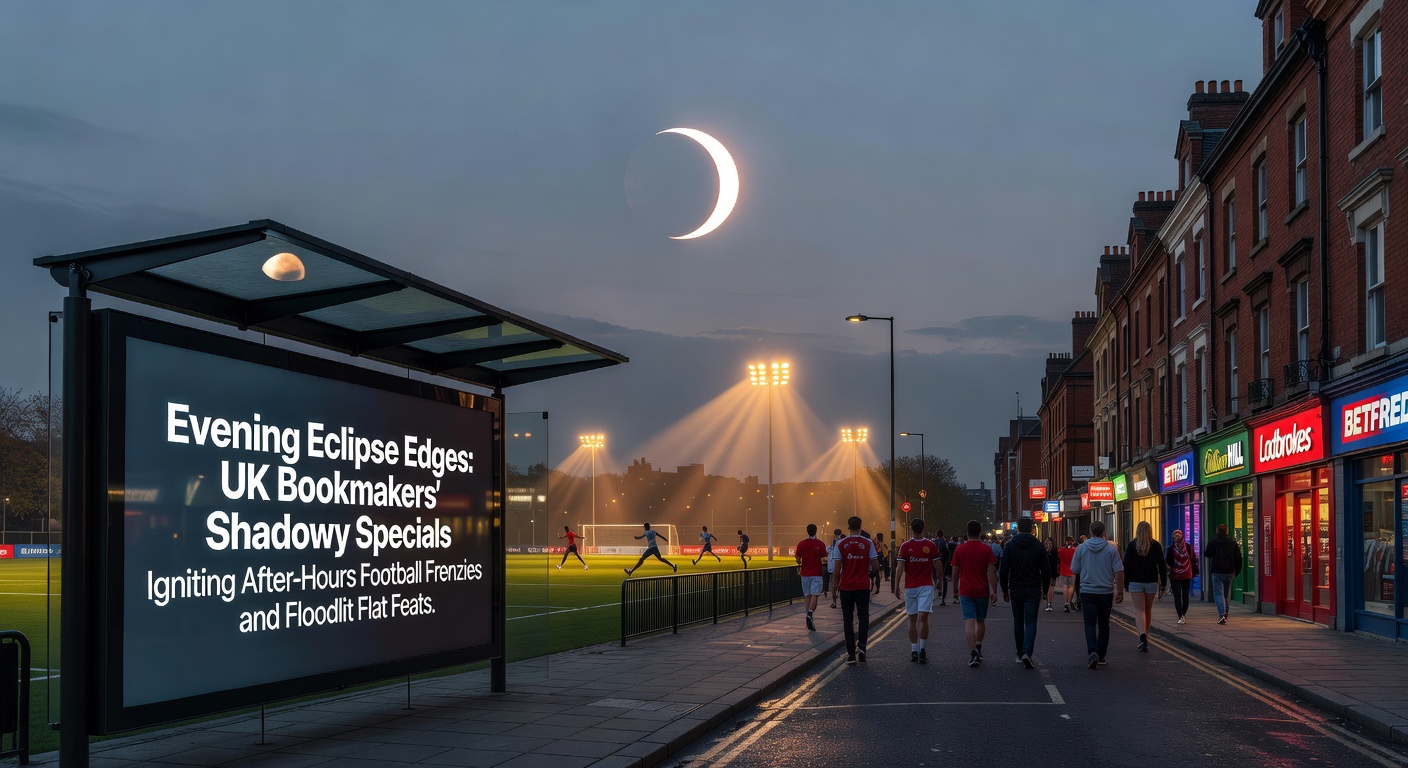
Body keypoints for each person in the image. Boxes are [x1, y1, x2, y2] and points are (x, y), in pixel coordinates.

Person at [1070, 520, 1123, 669]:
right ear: (1104, 532)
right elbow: (1119, 571)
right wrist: (1120, 591)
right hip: (1105, 591)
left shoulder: (1081, 548)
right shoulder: (1111, 550)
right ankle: (1101, 656)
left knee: (1089, 623)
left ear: (1091, 531)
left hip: (1087, 591)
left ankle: (1092, 651)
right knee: (1104, 624)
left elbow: (1075, 569)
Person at [999, 517, 1050, 669]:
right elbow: (1046, 570)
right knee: (1031, 621)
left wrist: (1004, 590)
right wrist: (1045, 590)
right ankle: (1028, 651)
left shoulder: (1010, 545)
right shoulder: (1038, 546)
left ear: (1018, 529)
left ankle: (1020, 653)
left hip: (1016, 588)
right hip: (1033, 588)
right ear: (1032, 529)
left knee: (1018, 621)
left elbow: (1003, 570)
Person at [829, 516, 878, 665]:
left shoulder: (841, 543)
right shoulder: (868, 543)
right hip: (863, 586)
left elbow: (837, 570)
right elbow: (875, 567)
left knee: (847, 620)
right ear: (861, 526)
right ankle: (861, 647)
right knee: (863, 617)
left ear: (848, 527)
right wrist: (870, 575)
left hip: (846, 587)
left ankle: (850, 654)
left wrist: (833, 589)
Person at [951, 520, 999, 668]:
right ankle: (978, 647)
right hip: (982, 591)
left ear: (967, 532)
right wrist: (994, 591)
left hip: (966, 591)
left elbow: (955, 571)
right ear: (980, 532)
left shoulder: (960, 550)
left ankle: (973, 653)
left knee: (969, 622)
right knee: (980, 621)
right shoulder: (986, 549)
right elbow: (992, 571)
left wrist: (955, 589)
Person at [893, 518, 939, 663]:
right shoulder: (930, 545)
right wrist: (941, 583)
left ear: (911, 529)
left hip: (917, 586)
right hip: (918, 586)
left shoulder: (905, 546)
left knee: (915, 619)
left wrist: (896, 586)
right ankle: (916, 650)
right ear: (923, 528)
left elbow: (899, 568)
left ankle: (920, 649)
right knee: (921, 618)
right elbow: (939, 565)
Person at [1122, 521, 1167, 652]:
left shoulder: (1132, 545)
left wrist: (1126, 583)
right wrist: (1163, 583)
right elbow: (1162, 566)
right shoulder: (1156, 545)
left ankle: (1142, 636)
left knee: (1139, 610)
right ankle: (1146, 636)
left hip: (1136, 582)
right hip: (1151, 582)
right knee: (1148, 610)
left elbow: (1127, 566)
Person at [1203, 523, 1243, 625]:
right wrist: (1236, 571)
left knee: (1218, 594)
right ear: (1227, 531)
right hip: (1229, 571)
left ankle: (1222, 614)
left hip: (1216, 571)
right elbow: (1238, 558)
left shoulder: (1213, 542)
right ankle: (1226, 613)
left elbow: (1207, 554)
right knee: (1226, 593)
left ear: (1217, 531)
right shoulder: (1233, 543)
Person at [795, 524, 829, 632]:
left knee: (807, 596)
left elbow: (797, 558)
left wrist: (800, 562)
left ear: (807, 531)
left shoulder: (801, 544)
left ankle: (808, 617)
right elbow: (824, 558)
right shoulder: (820, 544)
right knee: (815, 595)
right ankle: (810, 614)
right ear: (816, 531)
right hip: (816, 573)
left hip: (805, 573)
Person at [1165, 528, 1199, 624]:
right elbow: (1194, 560)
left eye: (1176, 537)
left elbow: (1167, 562)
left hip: (1176, 575)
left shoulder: (1171, 548)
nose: (1175, 539)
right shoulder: (1188, 547)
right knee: (1183, 596)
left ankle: (1181, 615)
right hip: (1185, 575)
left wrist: (1168, 569)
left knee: (1179, 596)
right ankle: (1182, 615)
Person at [1057, 535, 1078, 612]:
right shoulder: (1074, 550)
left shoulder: (1061, 550)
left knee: (1065, 586)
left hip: (1063, 570)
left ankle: (1066, 603)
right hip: (1072, 570)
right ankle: (1069, 603)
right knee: (1071, 586)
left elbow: (1059, 556)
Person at [933, 529, 951, 606]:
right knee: (943, 579)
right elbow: (947, 554)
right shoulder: (945, 543)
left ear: (936, 534)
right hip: (943, 563)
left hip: (934, 562)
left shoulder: (934, 543)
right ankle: (942, 598)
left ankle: (935, 592)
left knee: (935, 578)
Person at [825, 528, 843, 608]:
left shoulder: (833, 543)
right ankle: (838, 598)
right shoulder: (842, 541)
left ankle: (834, 601)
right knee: (839, 583)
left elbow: (828, 551)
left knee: (833, 583)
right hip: (840, 565)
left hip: (833, 565)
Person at [1043, 536, 1060, 611]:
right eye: (1048, 543)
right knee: (1049, 587)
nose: (1049, 545)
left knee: (1050, 587)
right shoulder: (1045, 552)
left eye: (1050, 543)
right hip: (1047, 571)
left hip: (1051, 571)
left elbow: (1057, 562)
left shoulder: (1054, 552)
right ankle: (1049, 602)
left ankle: (1049, 602)